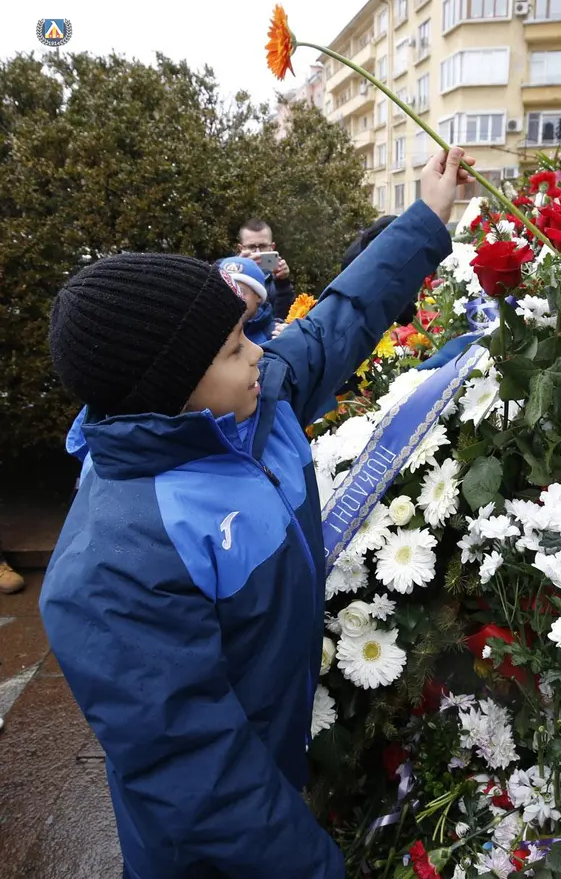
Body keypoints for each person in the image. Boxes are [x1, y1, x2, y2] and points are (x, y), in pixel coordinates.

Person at [39, 148, 471, 879]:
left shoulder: (255, 403)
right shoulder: (112, 565)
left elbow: (338, 321)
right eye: (234, 347)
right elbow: (203, 780)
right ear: (169, 388)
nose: (257, 357)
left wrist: (426, 218)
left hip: (278, 759)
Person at [237, 218, 296, 321]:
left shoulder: (277, 279)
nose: (257, 252)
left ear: (272, 247)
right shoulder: (225, 271)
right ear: (241, 249)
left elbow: (284, 318)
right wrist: (237, 273)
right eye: (251, 247)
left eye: (263, 246)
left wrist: (283, 284)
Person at [217, 255, 278, 345]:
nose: (231, 299)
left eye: (240, 291)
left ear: (258, 296)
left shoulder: (275, 337)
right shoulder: (207, 333)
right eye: (224, 291)